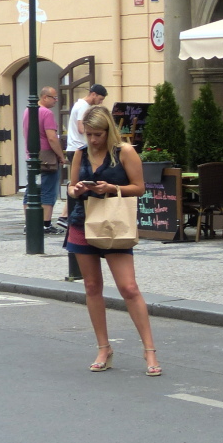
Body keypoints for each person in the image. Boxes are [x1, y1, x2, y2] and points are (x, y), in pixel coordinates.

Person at [66, 105, 161, 376]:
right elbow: (71, 188)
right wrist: (77, 189)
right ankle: (103, 348)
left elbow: (140, 188)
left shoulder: (125, 152)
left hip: (115, 225)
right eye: (89, 134)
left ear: (109, 130)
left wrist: (112, 188)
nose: (93, 140)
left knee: (129, 288)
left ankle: (149, 350)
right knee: (92, 287)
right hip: (82, 222)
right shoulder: (81, 153)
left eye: (98, 134)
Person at [59, 83, 108, 228]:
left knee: (79, 183)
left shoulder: (79, 104)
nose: (100, 102)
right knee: (82, 182)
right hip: (77, 148)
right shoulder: (83, 107)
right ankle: (66, 216)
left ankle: (65, 215)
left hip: (74, 147)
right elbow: (81, 128)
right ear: (93, 94)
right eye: (100, 99)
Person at [27, 86, 66, 235]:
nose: (56, 101)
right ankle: (46, 224)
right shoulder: (46, 113)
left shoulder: (28, 111)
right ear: (44, 97)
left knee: (31, 190)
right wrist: (61, 156)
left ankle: (30, 224)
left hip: (32, 155)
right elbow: (51, 137)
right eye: (53, 98)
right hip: (47, 155)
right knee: (49, 189)